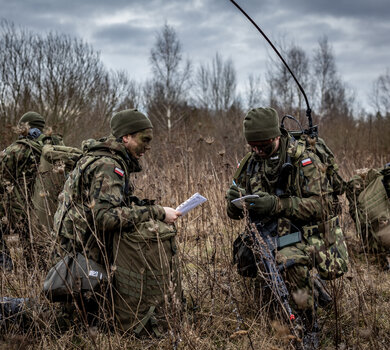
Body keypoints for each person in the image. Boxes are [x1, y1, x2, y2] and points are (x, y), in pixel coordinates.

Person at [53, 108, 182, 336]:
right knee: (70, 326)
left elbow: (112, 203)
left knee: (83, 322)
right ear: (126, 137)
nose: (148, 146)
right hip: (81, 253)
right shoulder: (108, 166)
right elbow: (105, 217)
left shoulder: (106, 158)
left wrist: (144, 206)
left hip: (79, 247)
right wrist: (157, 212)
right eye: (144, 139)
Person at [226, 107, 348, 346]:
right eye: (252, 146)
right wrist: (233, 203)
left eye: (263, 145)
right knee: (244, 260)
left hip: (304, 230)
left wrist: (276, 205)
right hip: (266, 230)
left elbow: (322, 206)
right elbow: (233, 211)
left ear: (276, 137)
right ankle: (307, 288)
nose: (257, 151)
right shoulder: (250, 163)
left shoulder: (302, 159)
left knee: (289, 261)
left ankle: (308, 322)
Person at [0, 111, 64, 270]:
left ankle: (7, 269)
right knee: (41, 254)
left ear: (24, 127)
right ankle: (45, 278)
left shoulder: (16, 150)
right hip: (52, 212)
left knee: (30, 254)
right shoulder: (56, 148)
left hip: (22, 212)